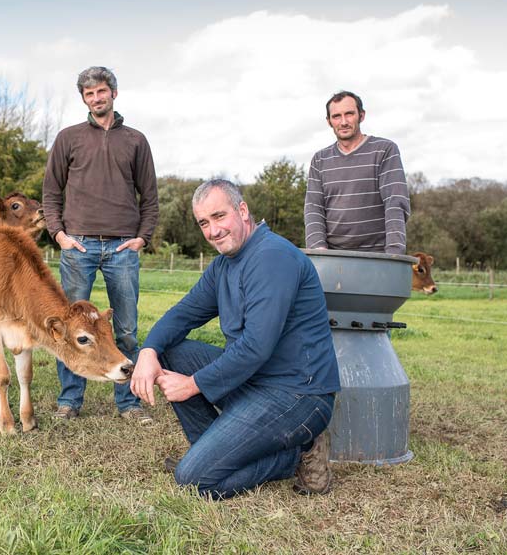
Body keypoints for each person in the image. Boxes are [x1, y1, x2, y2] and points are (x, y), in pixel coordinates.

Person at [131, 179, 340, 499]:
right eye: (203, 222)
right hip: (256, 383)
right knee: (171, 350)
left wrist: (192, 384)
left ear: (242, 211)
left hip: (298, 394)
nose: (213, 231)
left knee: (193, 480)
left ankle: (295, 455)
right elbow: (182, 315)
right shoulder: (223, 267)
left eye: (219, 216)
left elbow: (256, 347)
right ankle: (213, 453)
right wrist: (148, 351)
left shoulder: (272, 257)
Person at [42, 66, 159, 424]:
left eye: (101, 91)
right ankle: (69, 401)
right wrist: (59, 234)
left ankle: (129, 403)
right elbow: (50, 192)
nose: (96, 98)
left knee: (124, 328)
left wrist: (141, 238)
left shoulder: (135, 140)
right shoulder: (68, 138)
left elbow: (150, 198)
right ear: (83, 99)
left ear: (114, 93)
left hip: (122, 247)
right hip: (79, 247)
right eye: (89, 94)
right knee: (72, 329)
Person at [304, 90, 410, 254]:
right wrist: (319, 252)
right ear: (329, 121)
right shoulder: (320, 159)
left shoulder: (384, 150)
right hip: (334, 256)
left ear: (361, 115)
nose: (343, 121)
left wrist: (393, 254)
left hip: (378, 256)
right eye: (337, 116)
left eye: (349, 114)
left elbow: (395, 203)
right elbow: (313, 208)